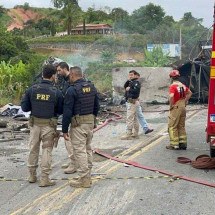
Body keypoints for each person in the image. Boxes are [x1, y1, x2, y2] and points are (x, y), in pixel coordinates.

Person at [21, 64, 64, 187]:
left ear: (42, 74)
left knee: (33, 149)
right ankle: (45, 178)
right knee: (47, 150)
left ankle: (32, 175)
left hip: (34, 125)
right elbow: (60, 110)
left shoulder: (32, 89)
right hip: (49, 126)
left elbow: (24, 107)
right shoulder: (56, 92)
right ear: (53, 76)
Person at [62, 66, 100, 188]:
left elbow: (67, 111)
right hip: (89, 122)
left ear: (72, 75)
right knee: (88, 149)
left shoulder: (72, 90)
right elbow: (96, 106)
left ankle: (84, 179)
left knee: (79, 151)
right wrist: (93, 120)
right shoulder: (91, 87)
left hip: (78, 124)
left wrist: (64, 129)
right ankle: (87, 174)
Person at [166, 70, 192, 150]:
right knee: (181, 125)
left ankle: (174, 144)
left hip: (176, 106)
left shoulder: (173, 86)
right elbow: (190, 93)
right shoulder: (182, 85)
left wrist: (171, 105)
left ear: (171, 78)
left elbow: (171, 96)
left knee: (172, 126)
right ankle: (183, 143)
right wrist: (185, 101)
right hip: (182, 106)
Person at [121, 70, 141, 140]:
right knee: (135, 118)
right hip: (131, 102)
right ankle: (136, 133)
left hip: (132, 102)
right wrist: (128, 80)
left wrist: (129, 89)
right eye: (129, 75)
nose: (130, 76)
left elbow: (136, 92)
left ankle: (128, 133)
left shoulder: (136, 83)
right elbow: (125, 86)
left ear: (135, 75)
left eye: (132, 75)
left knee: (129, 118)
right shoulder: (131, 82)